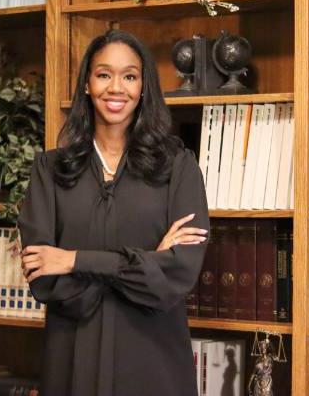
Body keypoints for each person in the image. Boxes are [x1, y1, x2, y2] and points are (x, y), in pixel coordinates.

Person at [17, 29, 209, 396]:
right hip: (74, 354)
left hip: (153, 359)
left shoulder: (178, 167)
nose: (116, 88)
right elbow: (43, 277)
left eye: (130, 76)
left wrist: (73, 259)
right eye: (104, 74)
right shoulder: (49, 170)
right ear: (87, 85)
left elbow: (177, 275)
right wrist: (147, 260)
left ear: (143, 87)